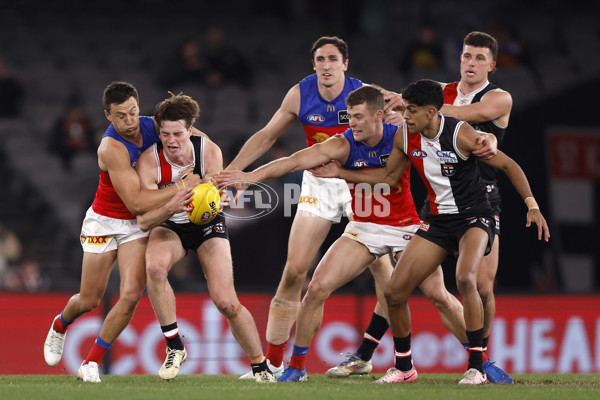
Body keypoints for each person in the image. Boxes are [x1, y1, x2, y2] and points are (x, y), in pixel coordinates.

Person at [216, 84, 489, 382]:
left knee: (437, 294)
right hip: (364, 228)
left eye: (359, 117)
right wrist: (250, 176)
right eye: (349, 116)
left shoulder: (402, 135)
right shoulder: (342, 144)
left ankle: (482, 361)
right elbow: (293, 161)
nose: (351, 123)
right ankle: (296, 368)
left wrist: (485, 139)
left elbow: (444, 128)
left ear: (379, 116)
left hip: (406, 227)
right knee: (316, 288)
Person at [314, 79, 550, 384]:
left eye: (410, 110)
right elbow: (388, 175)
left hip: (474, 217)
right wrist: (342, 173)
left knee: (466, 279)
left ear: (431, 111)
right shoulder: (404, 136)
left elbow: (509, 166)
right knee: (394, 293)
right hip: (437, 221)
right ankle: (404, 368)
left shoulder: (461, 133)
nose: (404, 115)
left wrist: (531, 205)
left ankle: (476, 366)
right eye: (404, 109)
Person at [223, 36, 405, 379]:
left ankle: (391, 358)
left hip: (359, 184)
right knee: (294, 272)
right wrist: (237, 171)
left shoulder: (362, 92)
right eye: (320, 59)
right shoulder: (299, 94)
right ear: (313, 64)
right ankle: (274, 365)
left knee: (383, 271)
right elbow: (267, 136)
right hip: (318, 184)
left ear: (345, 64)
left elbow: (396, 119)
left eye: (333, 59)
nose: (326, 65)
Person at [43, 82, 201, 383]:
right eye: (120, 116)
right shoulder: (111, 147)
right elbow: (137, 201)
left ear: (138, 107)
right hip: (104, 221)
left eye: (132, 112)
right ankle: (61, 324)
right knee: (89, 299)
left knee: (130, 294)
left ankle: (90, 363)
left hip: (136, 225)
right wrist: (182, 185)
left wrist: (210, 165)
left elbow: (196, 136)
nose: (129, 122)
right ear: (107, 116)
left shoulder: (155, 126)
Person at [134, 93, 275, 383]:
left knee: (226, 302)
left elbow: (220, 192)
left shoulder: (208, 150)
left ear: (190, 131)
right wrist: (173, 203)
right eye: (164, 134)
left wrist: (220, 197)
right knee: (155, 268)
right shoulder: (149, 162)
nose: (171, 141)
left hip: (206, 224)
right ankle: (174, 346)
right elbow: (144, 219)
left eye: (177, 134)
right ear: (157, 132)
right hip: (168, 221)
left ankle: (261, 367)